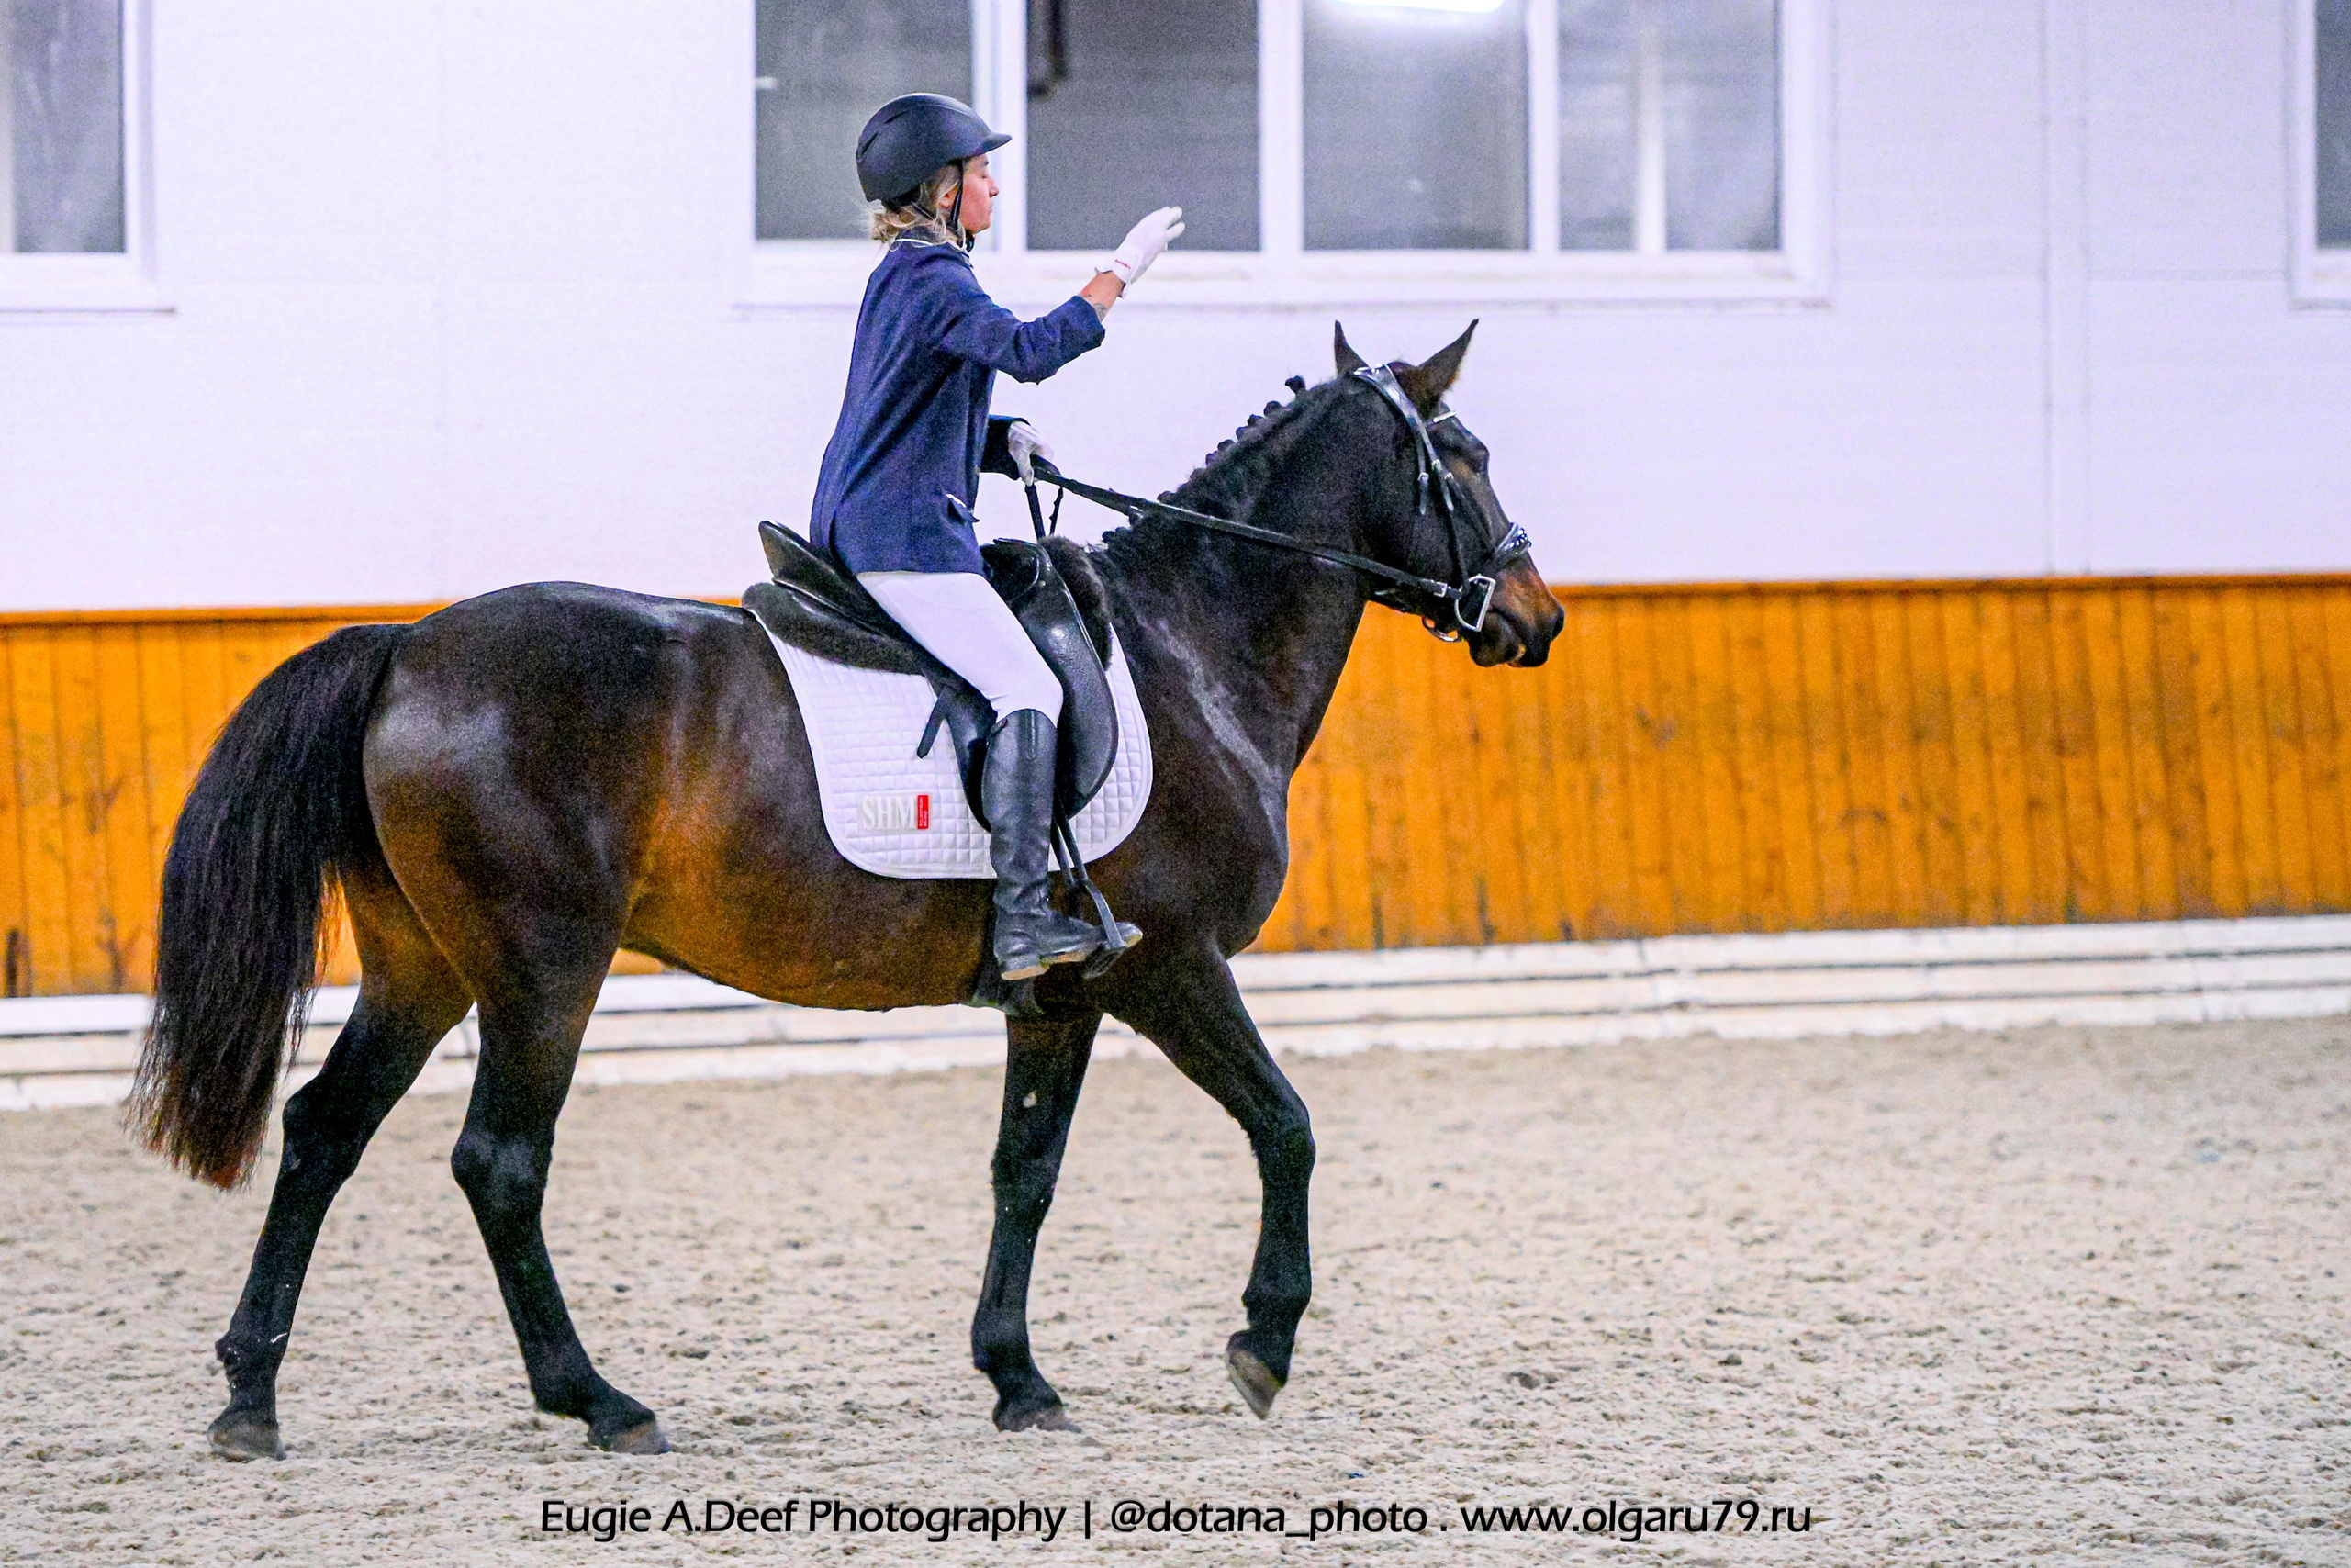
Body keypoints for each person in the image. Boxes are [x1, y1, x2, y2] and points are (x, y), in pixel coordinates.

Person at [808, 93, 1182, 983]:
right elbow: (1031, 349)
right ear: (942, 193)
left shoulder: (905, 274)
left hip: (877, 511)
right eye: (981, 174)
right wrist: (1117, 273)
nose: (994, 190)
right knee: (1027, 689)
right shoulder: (936, 278)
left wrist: (991, 442)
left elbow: (896, 412)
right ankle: (1018, 922)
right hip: (902, 536)